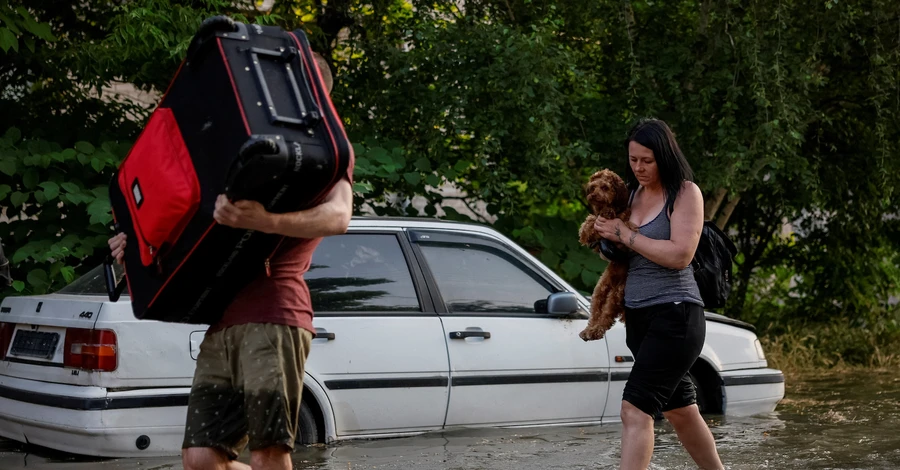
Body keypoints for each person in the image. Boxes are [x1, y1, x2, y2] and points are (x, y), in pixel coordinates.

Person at [108, 52, 353, 470]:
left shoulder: (327, 151)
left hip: (274, 315)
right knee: (201, 458)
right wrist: (137, 243)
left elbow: (339, 216)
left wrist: (267, 220)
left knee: (269, 452)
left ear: (315, 93)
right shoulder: (235, 142)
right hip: (222, 319)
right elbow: (191, 220)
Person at [592, 118, 724, 470]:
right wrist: (607, 239)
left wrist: (625, 235)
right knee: (681, 411)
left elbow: (681, 254)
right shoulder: (632, 195)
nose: (638, 168)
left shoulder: (685, 193)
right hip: (639, 316)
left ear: (664, 155)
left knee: (633, 409)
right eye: (633, 160)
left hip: (676, 316)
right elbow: (623, 252)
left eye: (646, 161)